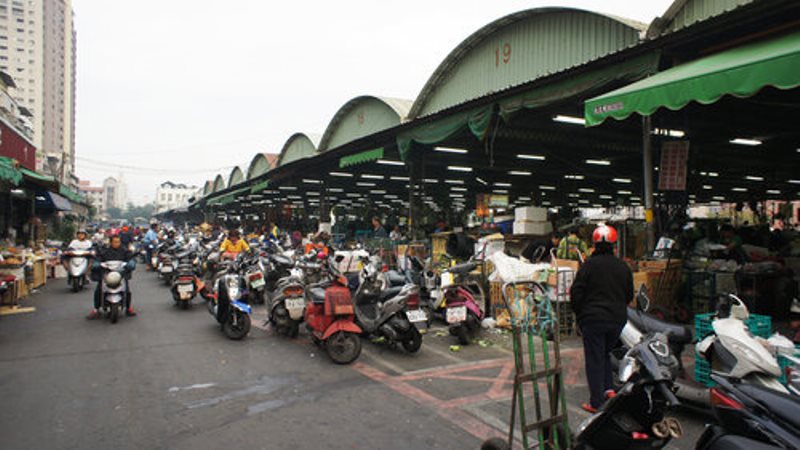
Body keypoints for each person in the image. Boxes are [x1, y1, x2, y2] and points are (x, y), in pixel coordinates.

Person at [570, 225, 632, 413]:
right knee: (605, 353)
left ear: (594, 244)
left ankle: (596, 402)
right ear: (614, 245)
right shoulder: (623, 267)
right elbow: (628, 295)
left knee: (594, 358)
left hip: (593, 319)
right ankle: (608, 389)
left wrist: (581, 315)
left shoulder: (588, 266)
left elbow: (576, 293)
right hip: (617, 320)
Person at [88, 235, 136, 319]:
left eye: (118, 242)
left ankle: (128, 308)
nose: (117, 243)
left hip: (120, 274)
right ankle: (96, 309)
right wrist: (96, 264)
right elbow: (98, 259)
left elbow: (130, 258)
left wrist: (131, 263)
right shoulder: (104, 251)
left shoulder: (124, 250)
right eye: (115, 242)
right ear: (111, 242)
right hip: (106, 274)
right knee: (99, 289)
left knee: (127, 290)